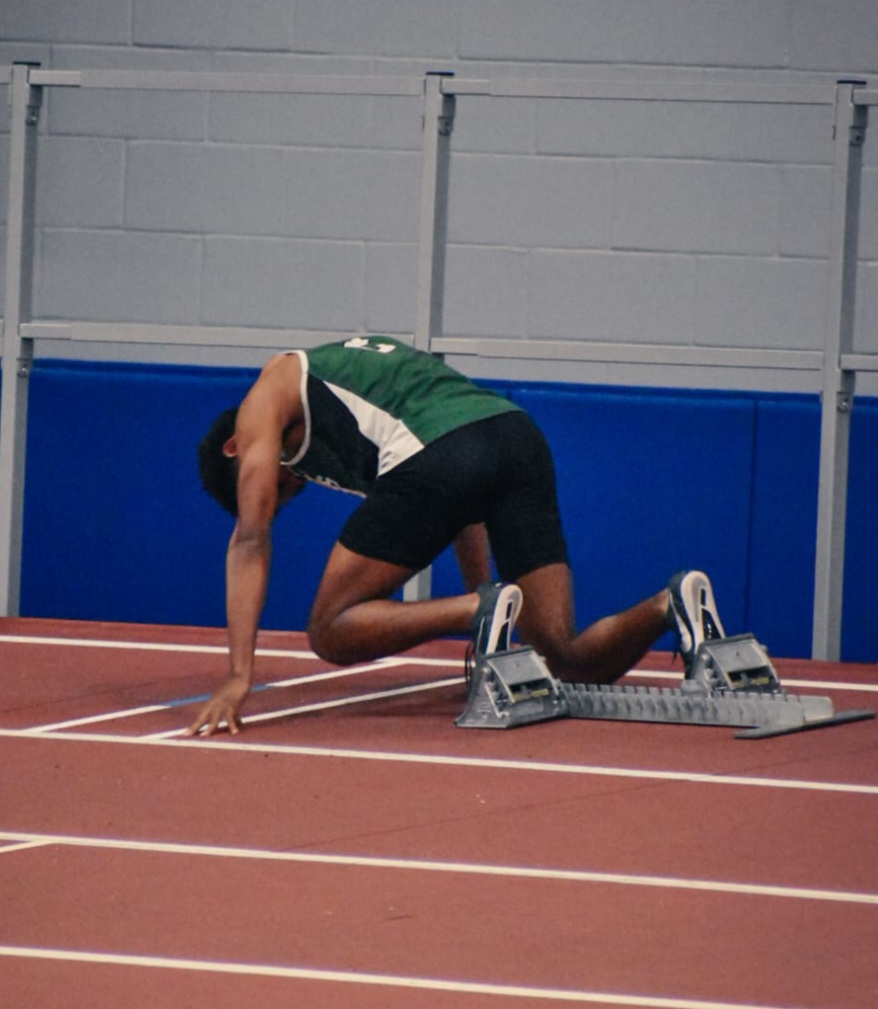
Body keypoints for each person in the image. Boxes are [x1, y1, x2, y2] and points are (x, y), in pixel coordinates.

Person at [186, 335, 723, 736]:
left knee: (329, 629)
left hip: (445, 450)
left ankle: (478, 611)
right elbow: (464, 507)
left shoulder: (266, 396)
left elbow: (250, 541)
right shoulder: (361, 410)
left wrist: (239, 675)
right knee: (561, 659)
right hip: (516, 438)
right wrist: (491, 609)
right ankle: (670, 605)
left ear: (236, 448)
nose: (279, 498)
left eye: (271, 491)